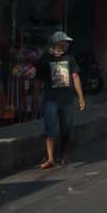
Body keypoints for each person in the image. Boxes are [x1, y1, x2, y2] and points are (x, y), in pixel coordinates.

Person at [36, 31, 85, 169]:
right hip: (50, 99)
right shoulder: (45, 58)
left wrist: (80, 96)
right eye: (65, 42)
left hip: (67, 100)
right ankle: (50, 158)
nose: (68, 44)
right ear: (58, 43)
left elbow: (75, 77)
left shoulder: (70, 59)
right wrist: (36, 98)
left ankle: (64, 154)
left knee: (66, 128)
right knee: (50, 128)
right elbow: (38, 80)